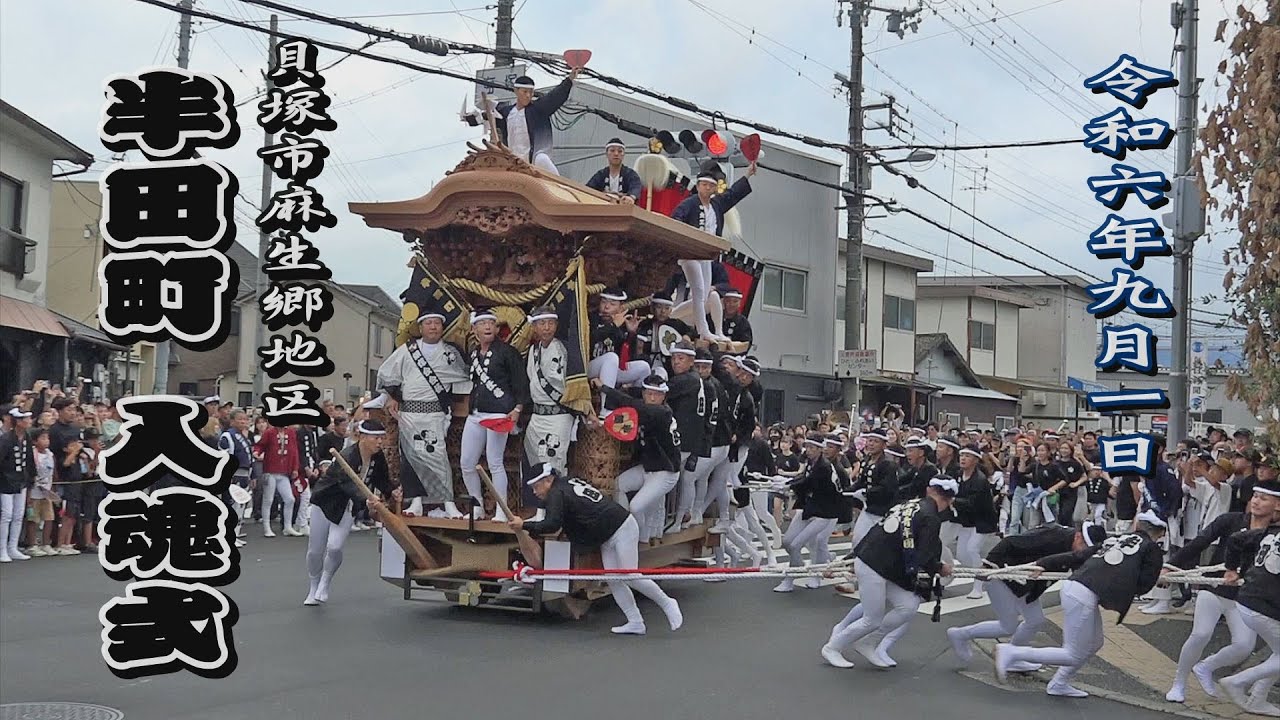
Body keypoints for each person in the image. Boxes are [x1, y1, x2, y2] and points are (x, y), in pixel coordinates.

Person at [996, 510, 1166, 698]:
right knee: (1071, 653)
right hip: (1083, 594)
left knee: (1094, 642)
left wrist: (1044, 562)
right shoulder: (1152, 549)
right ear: (1160, 533)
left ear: (1137, 526)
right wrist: (1157, 577)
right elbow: (1143, 586)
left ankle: (1059, 683)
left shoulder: (1116, 539)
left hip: (1074, 587)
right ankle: (1011, 653)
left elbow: (1078, 556)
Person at [513, 464, 682, 635]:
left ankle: (667, 603)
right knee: (613, 579)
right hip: (607, 533)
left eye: (536, 486)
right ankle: (635, 621)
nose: (535, 492)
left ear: (548, 480)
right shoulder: (567, 482)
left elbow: (552, 524)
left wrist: (524, 525)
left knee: (630, 575)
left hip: (622, 527)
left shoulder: (556, 493)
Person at [822, 477, 958, 668]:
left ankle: (867, 643)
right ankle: (833, 647)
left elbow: (876, 532)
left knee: (908, 605)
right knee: (872, 619)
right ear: (950, 500)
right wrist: (940, 568)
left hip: (881, 564)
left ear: (929, 490)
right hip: (874, 565)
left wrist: (852, 558)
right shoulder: (931, 517)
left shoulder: (909, 505)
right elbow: (924, 557)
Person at [1164, 479, 1278, 703]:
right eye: (1255, 496)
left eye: (1264, 499)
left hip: (1244, 598)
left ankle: (1206, 667)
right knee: (1201, 633)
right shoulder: (1230, 520)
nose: (1256, 502)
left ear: (1277, 505)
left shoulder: (1274, 533)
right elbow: (1200, 542)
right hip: (1215, 587)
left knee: (1244, 646)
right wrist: (1170, 566)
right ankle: (1179, 683)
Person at [948, 522, 1108, 670]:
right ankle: (961, 634)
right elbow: (1010, 541)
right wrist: (988, 564)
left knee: (1035, 620)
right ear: (1078, 536)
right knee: (1007, 626)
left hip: (1025, 585)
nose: (1083, 552)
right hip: (1004, 576)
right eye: (1084, 546)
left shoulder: (1076, 551)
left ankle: (1013, 657)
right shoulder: (1053, 536)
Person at [377, 312, 473, 519]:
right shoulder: (407, 351)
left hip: (435, 414)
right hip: (410, 413)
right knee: (411, 458)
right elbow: (388, 374)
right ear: (421, 328)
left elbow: (465, 375)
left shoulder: (450, 353)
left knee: (438, 456)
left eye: (437, 323)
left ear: (442, 327)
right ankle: (416, 502)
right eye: (428, 323)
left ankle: (447, 502)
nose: (433, 327)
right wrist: (392, 395)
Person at [305, 420, 392, 606]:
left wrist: (393, 491)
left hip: (347, 506)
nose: (379, 442)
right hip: (325, 503)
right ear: (362, 437)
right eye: (376, 437)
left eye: (381, 438)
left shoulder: (378, 458)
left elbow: (382, 480)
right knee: (315, 550)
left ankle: (325, 582)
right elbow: (347, 484)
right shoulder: (347, 456)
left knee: (335, 547)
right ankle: (313, 586)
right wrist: (366, 499)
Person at [669, 161, 757, 343]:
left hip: (708, 256)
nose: (707, 188)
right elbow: (676, 220)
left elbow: (733, 195)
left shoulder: (716, 205)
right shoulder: (689, 204)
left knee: (705, 295)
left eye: (711, 185)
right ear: (698, 186)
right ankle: (703, 330)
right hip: (690, 255)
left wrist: (747, 174)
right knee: (699, 291)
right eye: (704, 185)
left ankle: (675, 314)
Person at [461, 309, 529, 522]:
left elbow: (520, 382)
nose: (488, 327)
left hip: (499, 413)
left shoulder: (507, 352)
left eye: (491, 323)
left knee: (495, 462)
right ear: (475, 329)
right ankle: (477, 505)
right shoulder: (473, 353)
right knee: (467, 462)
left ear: (497, 328)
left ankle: (502, 510)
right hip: (476, 414)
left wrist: (517, 408)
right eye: (483, 324)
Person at [1219, 479, 1280, 716]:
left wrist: (1233, 568)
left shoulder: (1271, 531)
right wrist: (1233, 569)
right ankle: (1237, 682)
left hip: (1249, 600)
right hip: (1263, 606)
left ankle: (1257, 699)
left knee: (1278, 653)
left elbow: (1236, 540)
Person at [597, 375, 681, 544]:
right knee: (618, 485)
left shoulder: (663, 412)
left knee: (636, 506)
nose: (652, 397)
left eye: (657, 394)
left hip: (666, 472)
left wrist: (605, 388)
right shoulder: (646, 408)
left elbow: (634, 406)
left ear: (664, 396)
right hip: (648, 467)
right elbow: (629, 415)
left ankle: (637, 537)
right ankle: (626, 529)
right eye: (649, 393)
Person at [774, 433, 844, 593]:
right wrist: (786, 483)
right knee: (787, 542)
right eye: (808, 447)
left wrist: (788, 486)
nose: (809, 450)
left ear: (820, 449)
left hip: (824, 513)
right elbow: (803, 478)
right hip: (809, 508)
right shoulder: (812, 463)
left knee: (803, 544)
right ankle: (798, 565)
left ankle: (792, 579)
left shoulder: (824, 467)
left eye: (813, 448)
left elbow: (807, 483)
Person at [523, 305, 578, 487]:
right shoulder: (533, 351)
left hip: (558, 414)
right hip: (538, 415)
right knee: (536, 460)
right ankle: (540, 508)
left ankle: (556, 507)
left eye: (550, 323)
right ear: (535, 326)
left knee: (555, 460)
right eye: (542, 323)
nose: (546, 328)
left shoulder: (562, 349)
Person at [492, 69, 579, 174]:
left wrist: (569, 79)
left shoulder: (539, 109)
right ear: (516, 91)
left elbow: (555, 96)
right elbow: (488, 116)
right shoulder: (506, 112)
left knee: (541, 159)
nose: (528, 95)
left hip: (534, 160)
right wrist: (474, 117)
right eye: (524, 92)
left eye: (531, 92)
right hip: (513, 161)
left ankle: (559, 184)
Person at [664, 341, 711, 535]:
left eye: (681, 358)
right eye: (674, 358)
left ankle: (677, 519)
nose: (676, 362)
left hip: (684, 438)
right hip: (691, 437)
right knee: (685, 479)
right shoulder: (695, 379)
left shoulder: (685, 380)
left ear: (691, 361)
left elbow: (662, 392)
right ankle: (682, 516)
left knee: (674, 479)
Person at [953, 445, 997, 599]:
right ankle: (984, 571)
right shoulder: (959, 475)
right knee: (961, 555)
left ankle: (978, 587)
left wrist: (952, 500)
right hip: (967, 521)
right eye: (962, 455)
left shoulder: (980, 480)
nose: (963, 458)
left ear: (976, 460)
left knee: (972, 549)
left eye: (968, 456)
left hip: (983, 521)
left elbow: (973, 503)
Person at [254, 422, 302, 537]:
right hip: (270, 470)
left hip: (284, 471)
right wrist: (257, 452)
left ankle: (288, 526)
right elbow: (261, 445)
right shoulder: (269, 432)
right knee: (268, 499)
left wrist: (295, 468)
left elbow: (294, 450)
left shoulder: (290, 433)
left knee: (290, 499)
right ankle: (267, 527)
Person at [0, 407, 35, 562]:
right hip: (6, 481)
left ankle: (12, 547)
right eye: (25, 419)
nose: (28, 421)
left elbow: (29, 459)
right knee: (6, 515)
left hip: (21, 480)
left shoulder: (26, 436)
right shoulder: (6, 439)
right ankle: (2, 549)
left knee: (18, 515)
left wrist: (31, 478)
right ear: (18, 422)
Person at [218, 410, 254, 547]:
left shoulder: (243, 436)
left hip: (245, 474)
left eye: (245, 419)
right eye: (240, 419)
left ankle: (235, 534)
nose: (243, 422)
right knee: (232, 506)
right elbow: (225, 457)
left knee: (240, 507)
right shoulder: (228, 436)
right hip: (234, 475)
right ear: (232, 421)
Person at [896, 438, 938, 502]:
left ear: (921, 453)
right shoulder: (915, 468)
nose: (907, 454)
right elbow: (903, 480)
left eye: (910, 451)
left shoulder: (929, 469)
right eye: (906, 451)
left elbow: (914, 488)